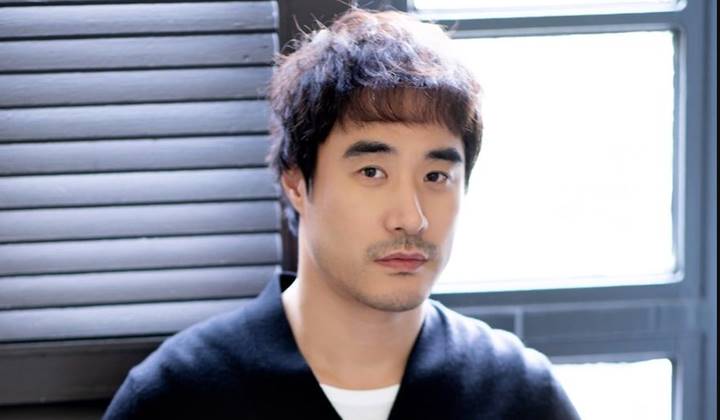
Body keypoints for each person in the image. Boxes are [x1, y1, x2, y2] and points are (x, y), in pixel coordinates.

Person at [103, 7, 580, 420]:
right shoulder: (176, 396)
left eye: (436, 176)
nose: (411, 218)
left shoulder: (521, 393)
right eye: (372, 171)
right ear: (296, 183)